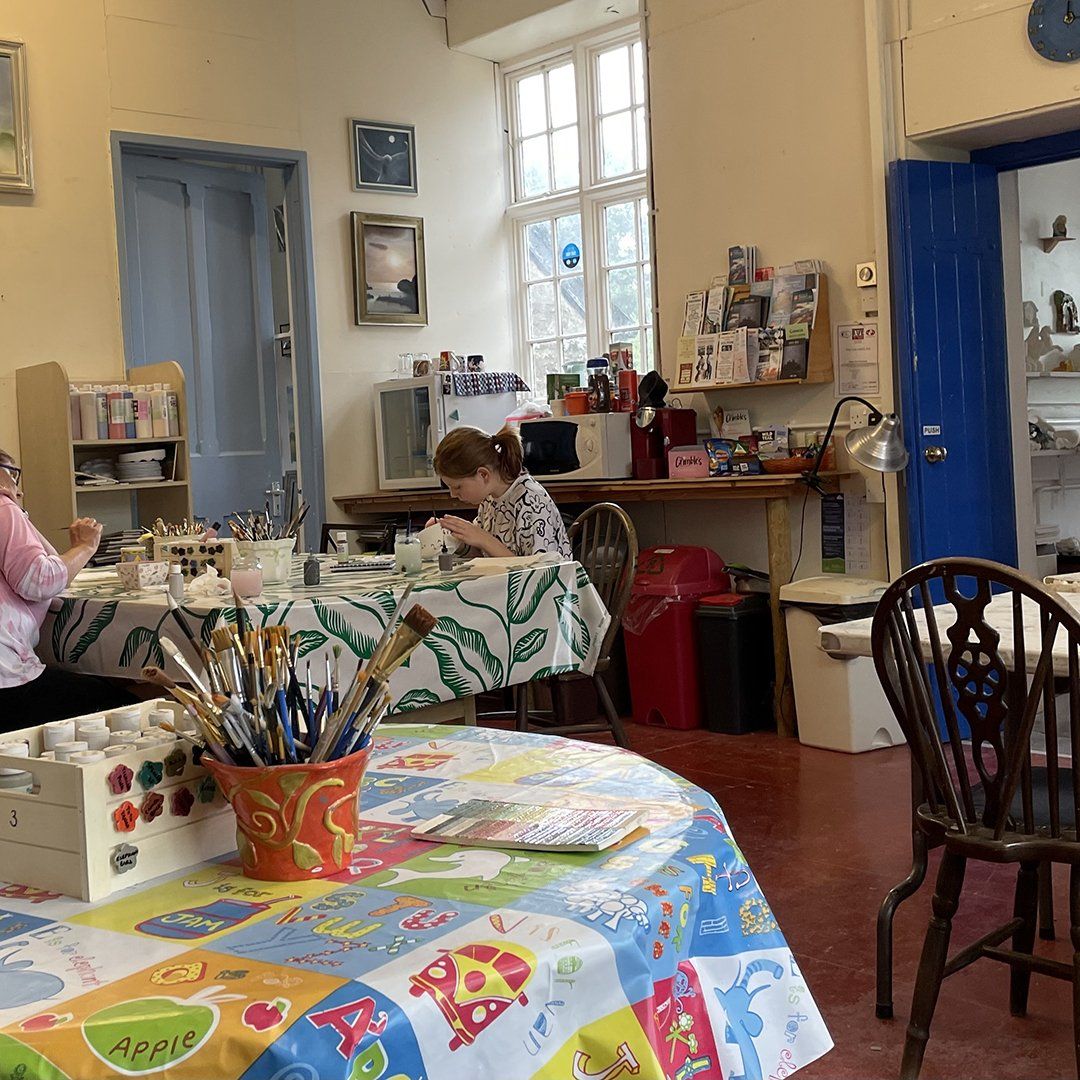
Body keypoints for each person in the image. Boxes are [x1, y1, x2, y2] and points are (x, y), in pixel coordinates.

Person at [0, 449, 135, 728]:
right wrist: (85, 546)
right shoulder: (2, 507)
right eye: (13, 474)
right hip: (7, 680)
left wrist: (21, 516)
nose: (18, 488)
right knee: (127, 709)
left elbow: (57, 576)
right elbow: (39, 580)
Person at [432, 426, 572, 559]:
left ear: (483, 475)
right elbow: (483, 554)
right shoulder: (489, 499)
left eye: (458, 487)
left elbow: (539, 571)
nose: (453, 494)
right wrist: (458, 540)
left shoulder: (531, 501)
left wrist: (484, 539)